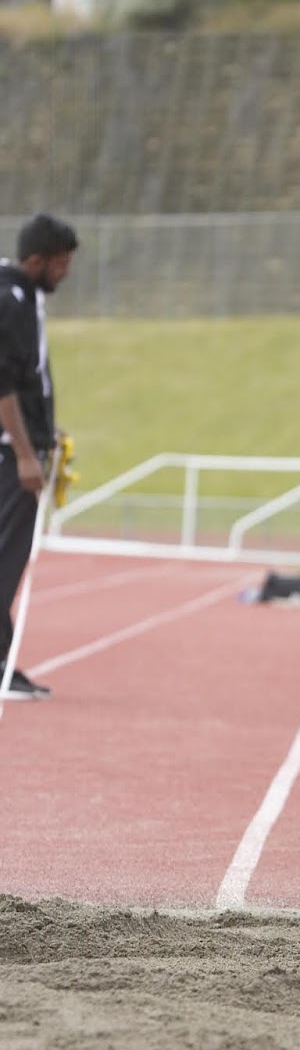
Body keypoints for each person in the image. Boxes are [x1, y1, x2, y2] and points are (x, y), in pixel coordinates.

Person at [0, 213, 78, 700]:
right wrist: (26, 454)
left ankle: (2, 659)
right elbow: (2, 383)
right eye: (61, 263)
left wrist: (45, 431)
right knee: (5, 558)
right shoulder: (10, 300)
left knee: (8, 557)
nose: (65, 273)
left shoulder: (23, 296)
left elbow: (29, 380)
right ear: (37, 261)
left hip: (19, 445)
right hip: (10, 455)